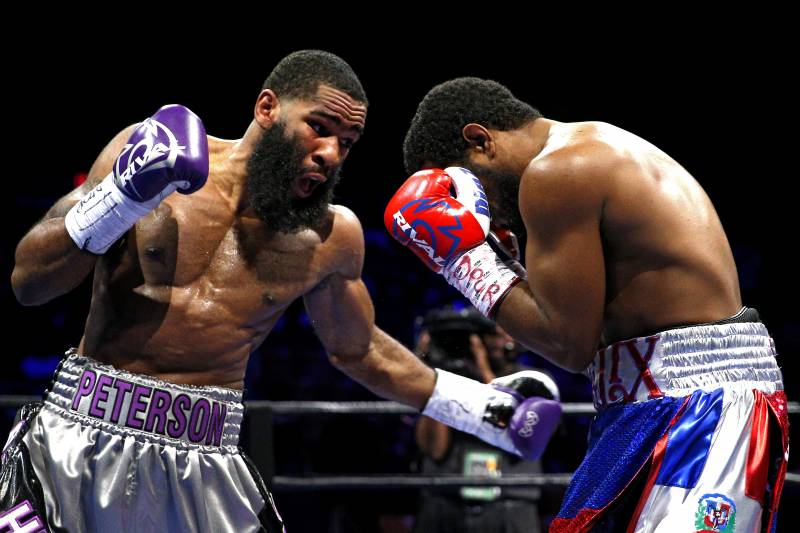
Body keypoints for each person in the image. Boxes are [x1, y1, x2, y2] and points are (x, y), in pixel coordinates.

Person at [3, 53, 560, 531]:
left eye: (348, 141)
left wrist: (482, 410)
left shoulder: (330, 237)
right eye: (319, 126)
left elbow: (358, 349)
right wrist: (123, 197)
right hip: (77, 438)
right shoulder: (146, 151)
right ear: (267, 108)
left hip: (206, 463)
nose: (331, 153)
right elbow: (30, 281)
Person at [387, 77, 789, 532]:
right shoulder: (585, 151)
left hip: (702, 409)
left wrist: (461, 258)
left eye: (459, 186)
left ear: (480, 141)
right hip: (646, 405)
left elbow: (566, 344)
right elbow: (587, 341)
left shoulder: (556, 171)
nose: (474, 209)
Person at [413, 306, 555, 533]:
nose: (496, 341)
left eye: (501, 333)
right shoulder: (452, 381)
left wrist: (484, 371)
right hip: (446, 503)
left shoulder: (534, 382)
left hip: (510, 504)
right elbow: (434, 449)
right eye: (489, 334)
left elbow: (521, 435)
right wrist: (434, 374)